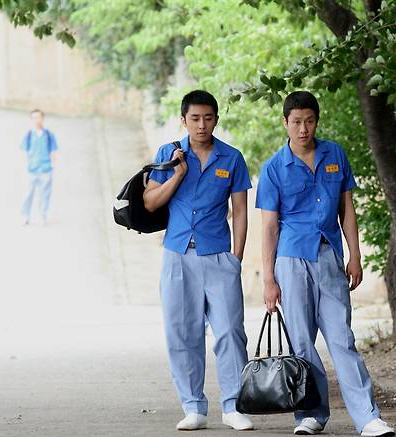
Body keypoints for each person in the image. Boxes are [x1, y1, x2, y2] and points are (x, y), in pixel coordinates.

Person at [256, 91, 395, 437]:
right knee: (302, 343)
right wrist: (269, 279)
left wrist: (355, 255)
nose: (303, 129)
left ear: (317, 121)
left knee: (342, 339)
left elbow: (347, 209)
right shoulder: (273, 168)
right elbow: (269, 227)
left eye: (309, 121)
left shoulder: (335, 155)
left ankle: (368, 418)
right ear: (285, 123)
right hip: (291, 260)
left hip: (329, 256)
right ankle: (310, 415)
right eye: (296, 122)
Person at [143, 90, 253, 432]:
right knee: (182, 332)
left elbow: (240, 211)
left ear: (216, 119)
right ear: (183, 120)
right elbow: (150, 202)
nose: (201, 125)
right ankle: (193, 406)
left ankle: (233, 406)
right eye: (194, 118)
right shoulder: (168, 154)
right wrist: (177, 174)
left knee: (230, 331)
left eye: (208, 118)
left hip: (219, 255)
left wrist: (236, 258)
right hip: (177, 255)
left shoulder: (231, 158)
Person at [21, 109, 58, 225]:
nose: (36, 120)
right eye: (34, 118)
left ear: (42, 118)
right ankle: (25, 216)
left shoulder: (48, 135)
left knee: (45, 195)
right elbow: (25, 151)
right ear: (31, 120)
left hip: (46, 169)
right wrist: (26, 165)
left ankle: (43, 216)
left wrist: (53, 165)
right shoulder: (29, 134)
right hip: (32, 169)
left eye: (38, 117)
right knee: (27, 194)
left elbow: (53, 150)